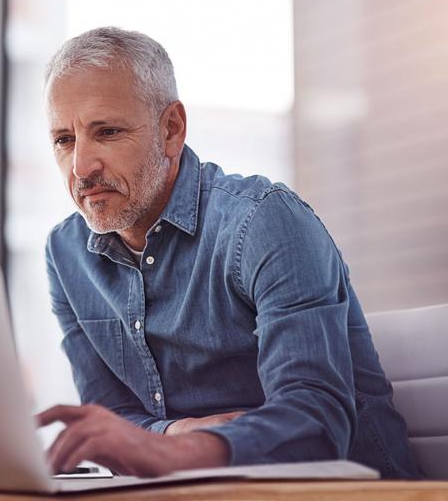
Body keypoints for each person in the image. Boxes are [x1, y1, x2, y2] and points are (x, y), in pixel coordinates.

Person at [36, 26, 420, 479]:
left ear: (171, 130)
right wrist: (173, 434)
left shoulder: (263, 222)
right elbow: (110, 416)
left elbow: (316, 423)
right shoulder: (66, 253)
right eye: (64, 139)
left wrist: (167, 453)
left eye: (108, 131)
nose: (81, 167)